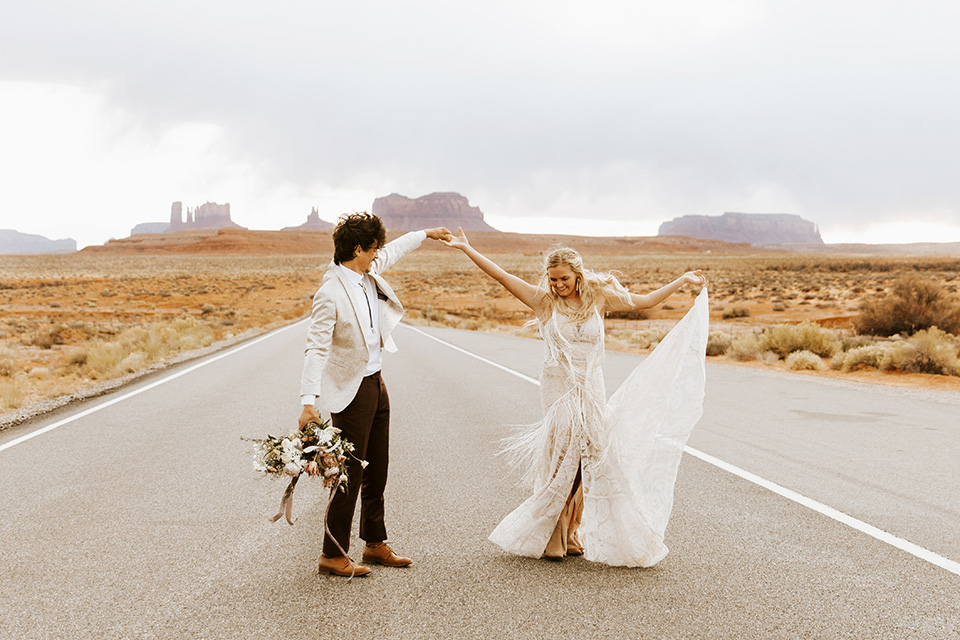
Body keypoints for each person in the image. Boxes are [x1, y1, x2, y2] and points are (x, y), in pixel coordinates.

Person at [442, 229, 709, 566]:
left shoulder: (599, 297)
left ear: (577, 274)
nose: (557, 285)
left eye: (563, 278)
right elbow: (501, 275)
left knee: (590, 458)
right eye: (552, 279)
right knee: (563, 453)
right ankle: (554, 529)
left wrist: (682, 280)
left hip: (592, 387)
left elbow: (646, 301)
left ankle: (573, 528)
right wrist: (467, 248)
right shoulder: (544, 302)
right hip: (559, 386)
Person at [299, 212, 451, 577]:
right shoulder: (330, 293)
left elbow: (395, 250)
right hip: (352, 390)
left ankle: (374, 543)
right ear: (357, 249)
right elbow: (316, 348)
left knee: (377, 467)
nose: (377, 255)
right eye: (372, 249)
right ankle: (332, 554)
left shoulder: (367, 270)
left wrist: (425, 233)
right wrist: (308, 402)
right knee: (349, 471)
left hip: (376, 380)